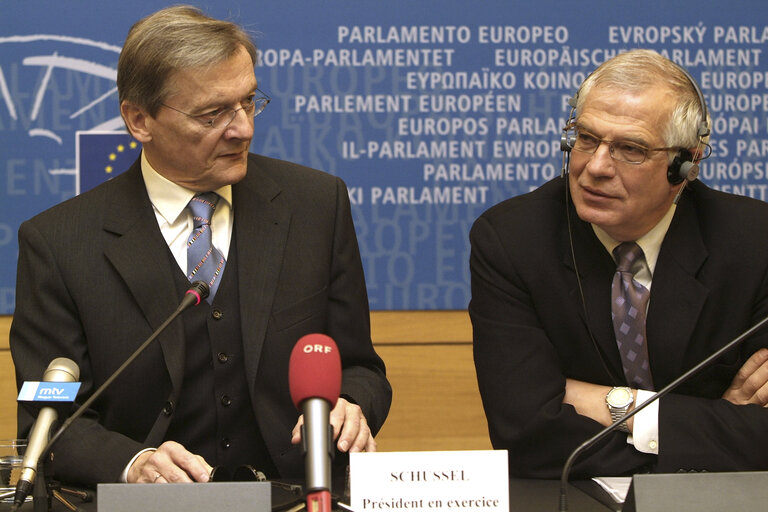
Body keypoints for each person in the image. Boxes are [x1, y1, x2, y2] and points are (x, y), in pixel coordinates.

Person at [10, 5, 391, 487]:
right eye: (213, 114)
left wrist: (353, 405)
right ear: (139, 120)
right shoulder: (60, 243)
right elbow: (50, 423)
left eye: (248, 102)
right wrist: (131, 464)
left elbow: (360, 367)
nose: (243, 129)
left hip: (296, 494)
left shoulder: (315, 205)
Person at [470, 49, 768, 479]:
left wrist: (622, 409)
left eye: (630, 149)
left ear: (685, 165)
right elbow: (526, 434)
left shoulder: (754, 244)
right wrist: (709, 427)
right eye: (586, 138)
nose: (595, 167)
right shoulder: (513, 239)